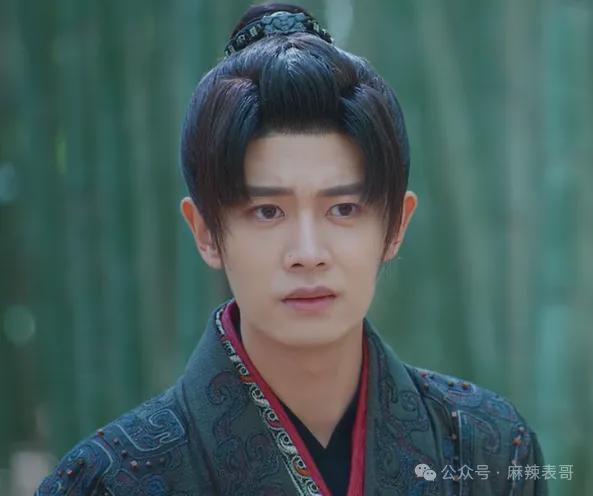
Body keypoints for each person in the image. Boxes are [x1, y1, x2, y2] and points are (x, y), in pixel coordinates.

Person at [36, 3, 547, 495]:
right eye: (267, 212)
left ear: (396, 225)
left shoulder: (490, 447)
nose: (307, 252)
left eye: (343, 208)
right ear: (206, 232)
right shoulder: (105, 481)